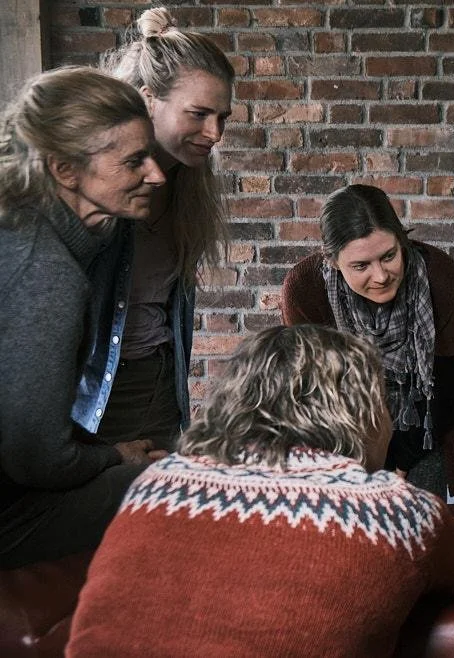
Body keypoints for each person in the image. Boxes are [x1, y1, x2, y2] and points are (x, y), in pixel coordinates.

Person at [67, 325, 454, 656]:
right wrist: (404, 502)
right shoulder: (387, 510)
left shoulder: (157, 482)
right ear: (360, 413)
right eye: (382, 401)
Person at [0, 67, 167, 568]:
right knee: (171, 479)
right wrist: (116, 458)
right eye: (134, 161)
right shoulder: (44, 273)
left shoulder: (29, 225)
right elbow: (37, 460)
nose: (156, 174)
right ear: (65, 170)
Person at [281, 184, 454, 499]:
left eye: (389, 256)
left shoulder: (445, 282)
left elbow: (448, 389)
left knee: (420, 522)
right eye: (361, 266)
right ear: (332, 260)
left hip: (425, 422)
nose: (381, 276)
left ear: (401, 241)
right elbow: (314, 391)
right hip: (342, 424)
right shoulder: (305, 290)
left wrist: (400, 461)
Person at [93, 6, 233, 450]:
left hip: (158, 384)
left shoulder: (189, 186)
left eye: (222, 117)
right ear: (149, 97)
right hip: (89, 393)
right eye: (198, 114)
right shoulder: (92, 180)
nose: (214, 132)